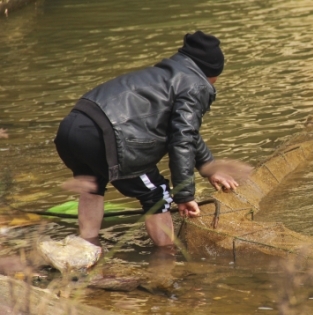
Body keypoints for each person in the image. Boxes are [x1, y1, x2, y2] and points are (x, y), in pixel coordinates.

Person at [54, 31, 244, 247]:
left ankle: (88, 248)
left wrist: (209, 166)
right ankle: (167, 260)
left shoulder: (163, 74)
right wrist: (184, 195)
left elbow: (183, 132)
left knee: (92, 184)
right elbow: (182, 140)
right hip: (107, 136)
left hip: (72, 127)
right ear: (211, 72)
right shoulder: (196, 84)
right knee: (156, 194)